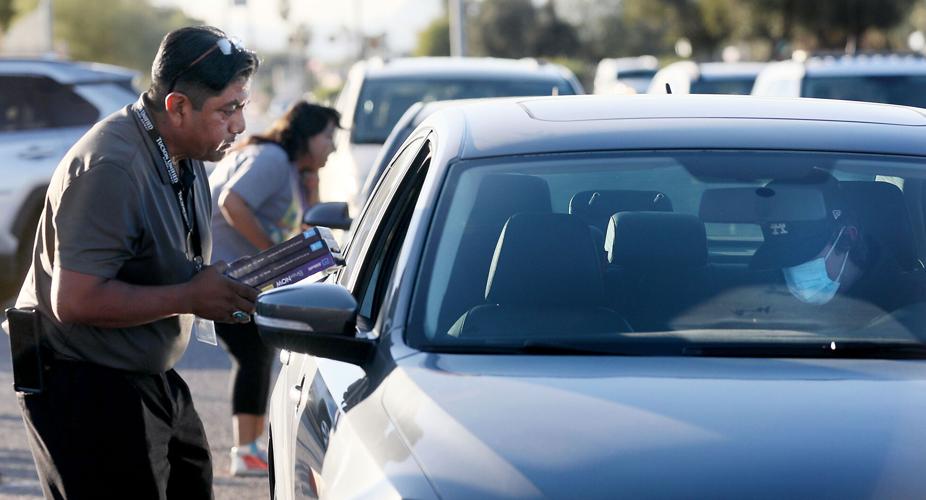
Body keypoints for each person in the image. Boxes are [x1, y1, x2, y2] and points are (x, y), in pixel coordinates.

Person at [11, 26, 259, 499]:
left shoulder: (184, 150)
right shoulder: (114, 165)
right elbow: (76, 299)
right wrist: (190, 295)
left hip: (144, 372)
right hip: (82, 383)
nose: (240, 125)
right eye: (228, 109)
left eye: (242, 106)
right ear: (178, 107)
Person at [209, 101, 339, 476]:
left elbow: (303, 225)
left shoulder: (291, 170)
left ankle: (247, 448)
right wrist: (271, 254)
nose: (331, 146)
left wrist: (312, 188)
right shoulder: (270, 159)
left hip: (243, 279)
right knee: (254, 356)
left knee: (256, 356)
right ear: (306, 135)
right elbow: (231, 202)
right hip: (227, 275)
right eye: (327, 136)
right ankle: (244, 450)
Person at [750, 171, 923, 329]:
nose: (794, 271)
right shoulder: (765, 307)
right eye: (784, 261)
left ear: (848, 236)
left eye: (805, 256)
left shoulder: (914, 308)